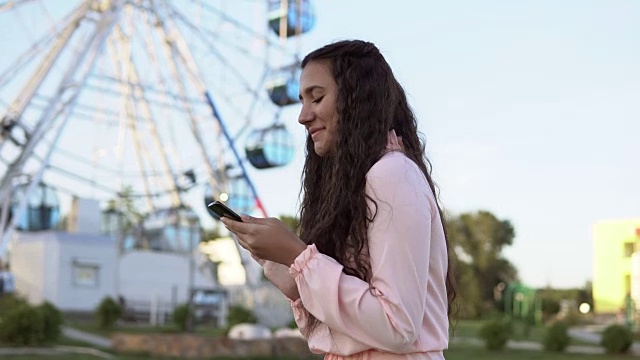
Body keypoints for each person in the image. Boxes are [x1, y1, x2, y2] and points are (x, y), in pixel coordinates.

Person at [222, 39, 456, 359]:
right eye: (301, 100)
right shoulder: (363, 183)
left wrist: (298, 256)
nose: (303, 116)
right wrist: (286, 268)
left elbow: (398, 327)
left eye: (316, 98)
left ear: (357, 99)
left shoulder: (391, 174)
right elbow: (357, 320)